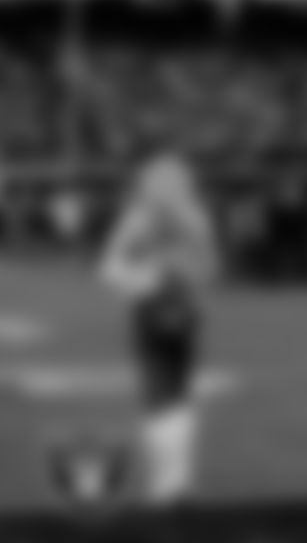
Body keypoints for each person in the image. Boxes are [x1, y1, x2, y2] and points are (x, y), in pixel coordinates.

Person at [98, 150, 220, 506]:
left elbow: (109, 269)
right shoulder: (192, 217)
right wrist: (163, 278)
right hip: (170, 310)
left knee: (162, 393)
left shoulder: (142, 218)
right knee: (175, 393)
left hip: (166, 311)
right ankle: (174, 480)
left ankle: (169, 481)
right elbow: (210, 268)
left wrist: (156, 279)